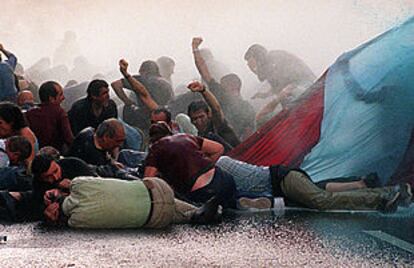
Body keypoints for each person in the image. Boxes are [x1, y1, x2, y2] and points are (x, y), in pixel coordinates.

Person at [215, 156, 412, 212]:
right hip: (286, 184)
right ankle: (391, 191)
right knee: (321, 192)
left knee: (322, 201)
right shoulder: (218, 170)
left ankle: (382, 198)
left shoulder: (221, 164)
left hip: (285, 181)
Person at [144, 122, 268, 209]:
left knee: (203, 207)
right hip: (223, 178)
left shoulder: (155, 149)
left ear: (152, 139)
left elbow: (148, 180)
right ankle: (253, 202)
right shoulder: (186, 136)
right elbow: (219, 148)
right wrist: (207, 165)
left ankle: (234, 205)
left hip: (203, 192)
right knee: (230, 199)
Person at [42, 177, 222, 228]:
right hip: (158, 188)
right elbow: (66, 181)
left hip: (156, 219)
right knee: (173, 204)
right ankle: (199, 212)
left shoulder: (76, 222)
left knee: (174, 213)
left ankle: (196, 215)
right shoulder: (79, 184)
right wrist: (59, 189)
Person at [192, 37, 255, 140]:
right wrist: (195, 49)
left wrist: (194, 47)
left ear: (233, 87)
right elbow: (204, 72)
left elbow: (204, 71)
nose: (220, 87)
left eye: (223, 85)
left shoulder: (241, 105)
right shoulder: (246, 106)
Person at [111, 60, 174, 133]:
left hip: (142, 117)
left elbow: (115, 84)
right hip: (163, 116)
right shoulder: (165, 83)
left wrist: (128, 102)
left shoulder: (139, 80)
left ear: (142, 71)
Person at [244, 44, 316, 100]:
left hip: (307, 88)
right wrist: (265, 95)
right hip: (302, 88)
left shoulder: (274, 58)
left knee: (289, 101)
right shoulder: (268, 63)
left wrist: (273, 103)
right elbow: (278, 85)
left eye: (250, 60)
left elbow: (290, 83)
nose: (249, 64)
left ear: (257, 56)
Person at [187, 81, 240, 151]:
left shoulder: (216, 126)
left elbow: (216, 109)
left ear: (209, 114)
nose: (199, 121)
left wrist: (203, 90)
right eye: (195, 119)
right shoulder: (199, 138)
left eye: (201, 117)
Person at [25, 81, 74, 153]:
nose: (63, 98)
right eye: (60, 95)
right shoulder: (59, 112)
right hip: (53, 153)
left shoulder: (29, 113)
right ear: (51, 98)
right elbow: (69, 138)